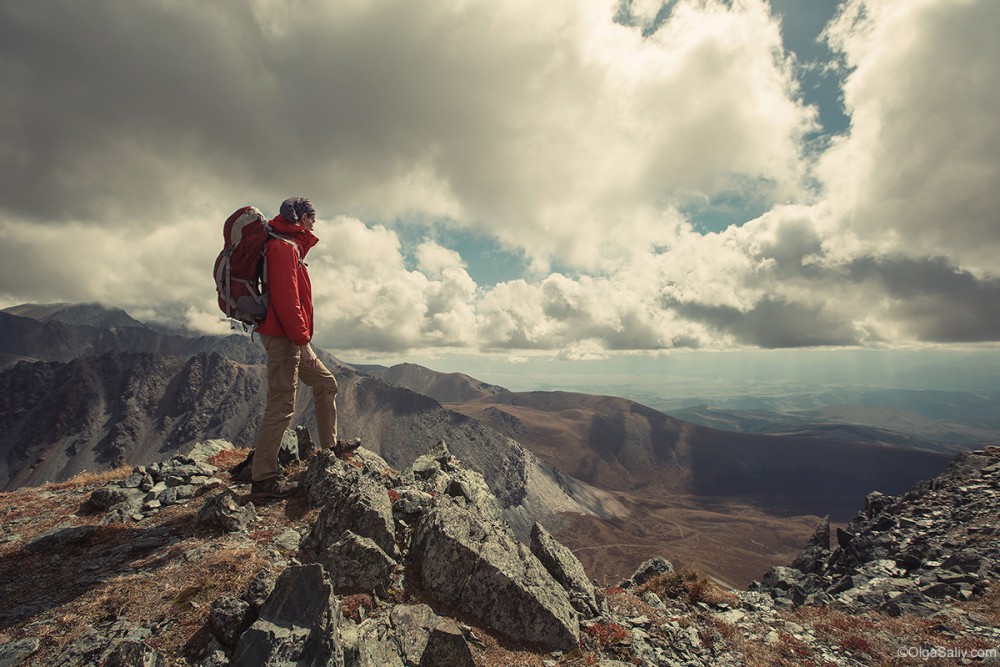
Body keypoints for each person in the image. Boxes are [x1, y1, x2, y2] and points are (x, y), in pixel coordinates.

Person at [249, 196, 359, 500]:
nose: (315, 223)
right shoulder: (283, 248)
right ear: (300, 219)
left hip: (290, 337)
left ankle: (330, 449)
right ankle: (263, 482)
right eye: (312, 218)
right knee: (282, 405)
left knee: (326, 383)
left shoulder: (289, 246)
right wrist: (303, 343)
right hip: (285, 339)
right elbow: (288, 301)